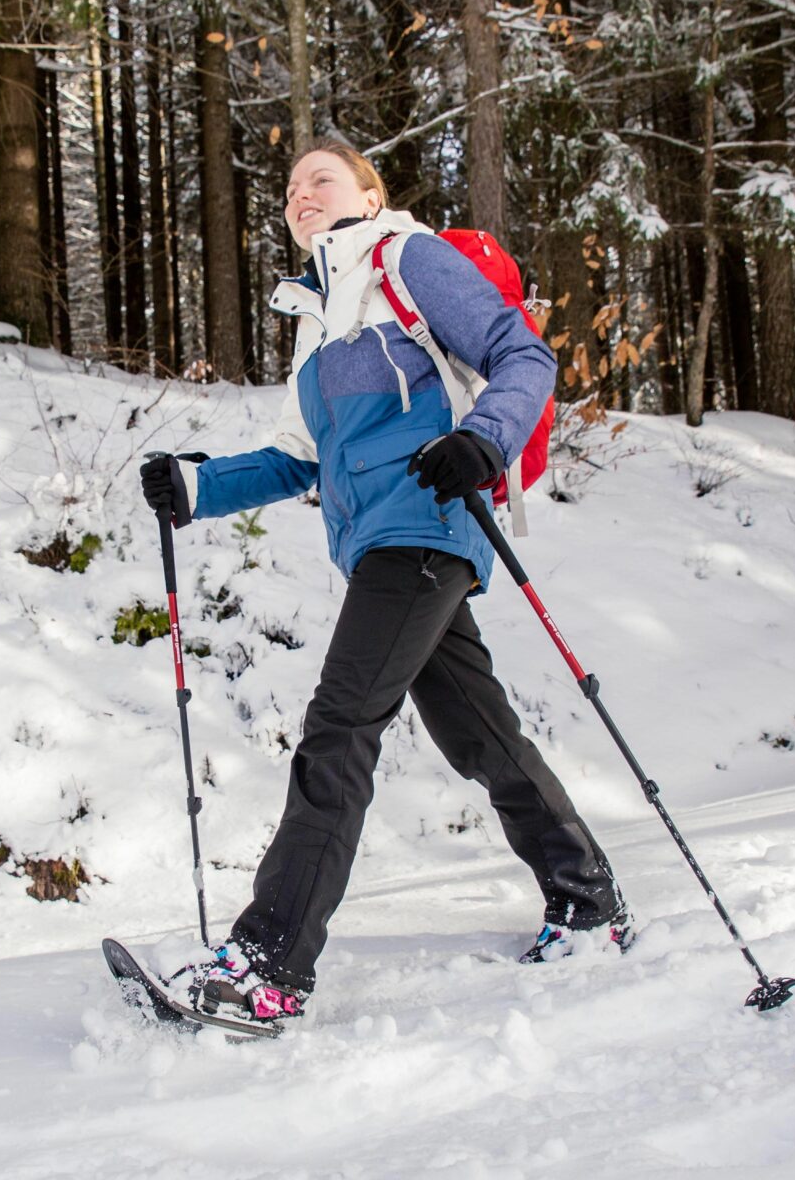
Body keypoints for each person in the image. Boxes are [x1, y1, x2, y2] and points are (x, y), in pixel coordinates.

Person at [139, 140, 631, 1029]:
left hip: (428, 528)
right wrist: (197, 486)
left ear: (370, 193)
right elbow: (298, 459)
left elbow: (523, 358)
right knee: (482, 736)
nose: (300, 195)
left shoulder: (409, 258)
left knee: (338, 728)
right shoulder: (318, 320)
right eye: (289, 188)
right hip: (378, 548)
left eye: (320, 179)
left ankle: (269, 961)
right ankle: (586, 900)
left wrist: (485, 436)